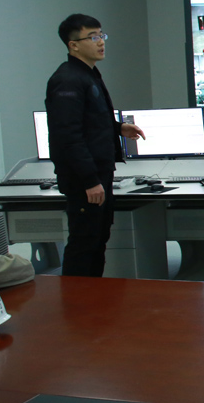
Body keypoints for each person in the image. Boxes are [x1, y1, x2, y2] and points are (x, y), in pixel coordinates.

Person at [45, 14, 145, 277]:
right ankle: (76, 299)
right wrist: (90, 180)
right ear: (73, 45)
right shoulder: (67, 80)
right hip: (84, 179)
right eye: (92, 37)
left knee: (98, 239)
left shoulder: (87, 74)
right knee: (85, 242)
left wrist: (118, 128)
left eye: (101, 35)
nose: (101, 42)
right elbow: (68, 135)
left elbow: (89, 120)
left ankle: (93, 296)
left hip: (98, 172)